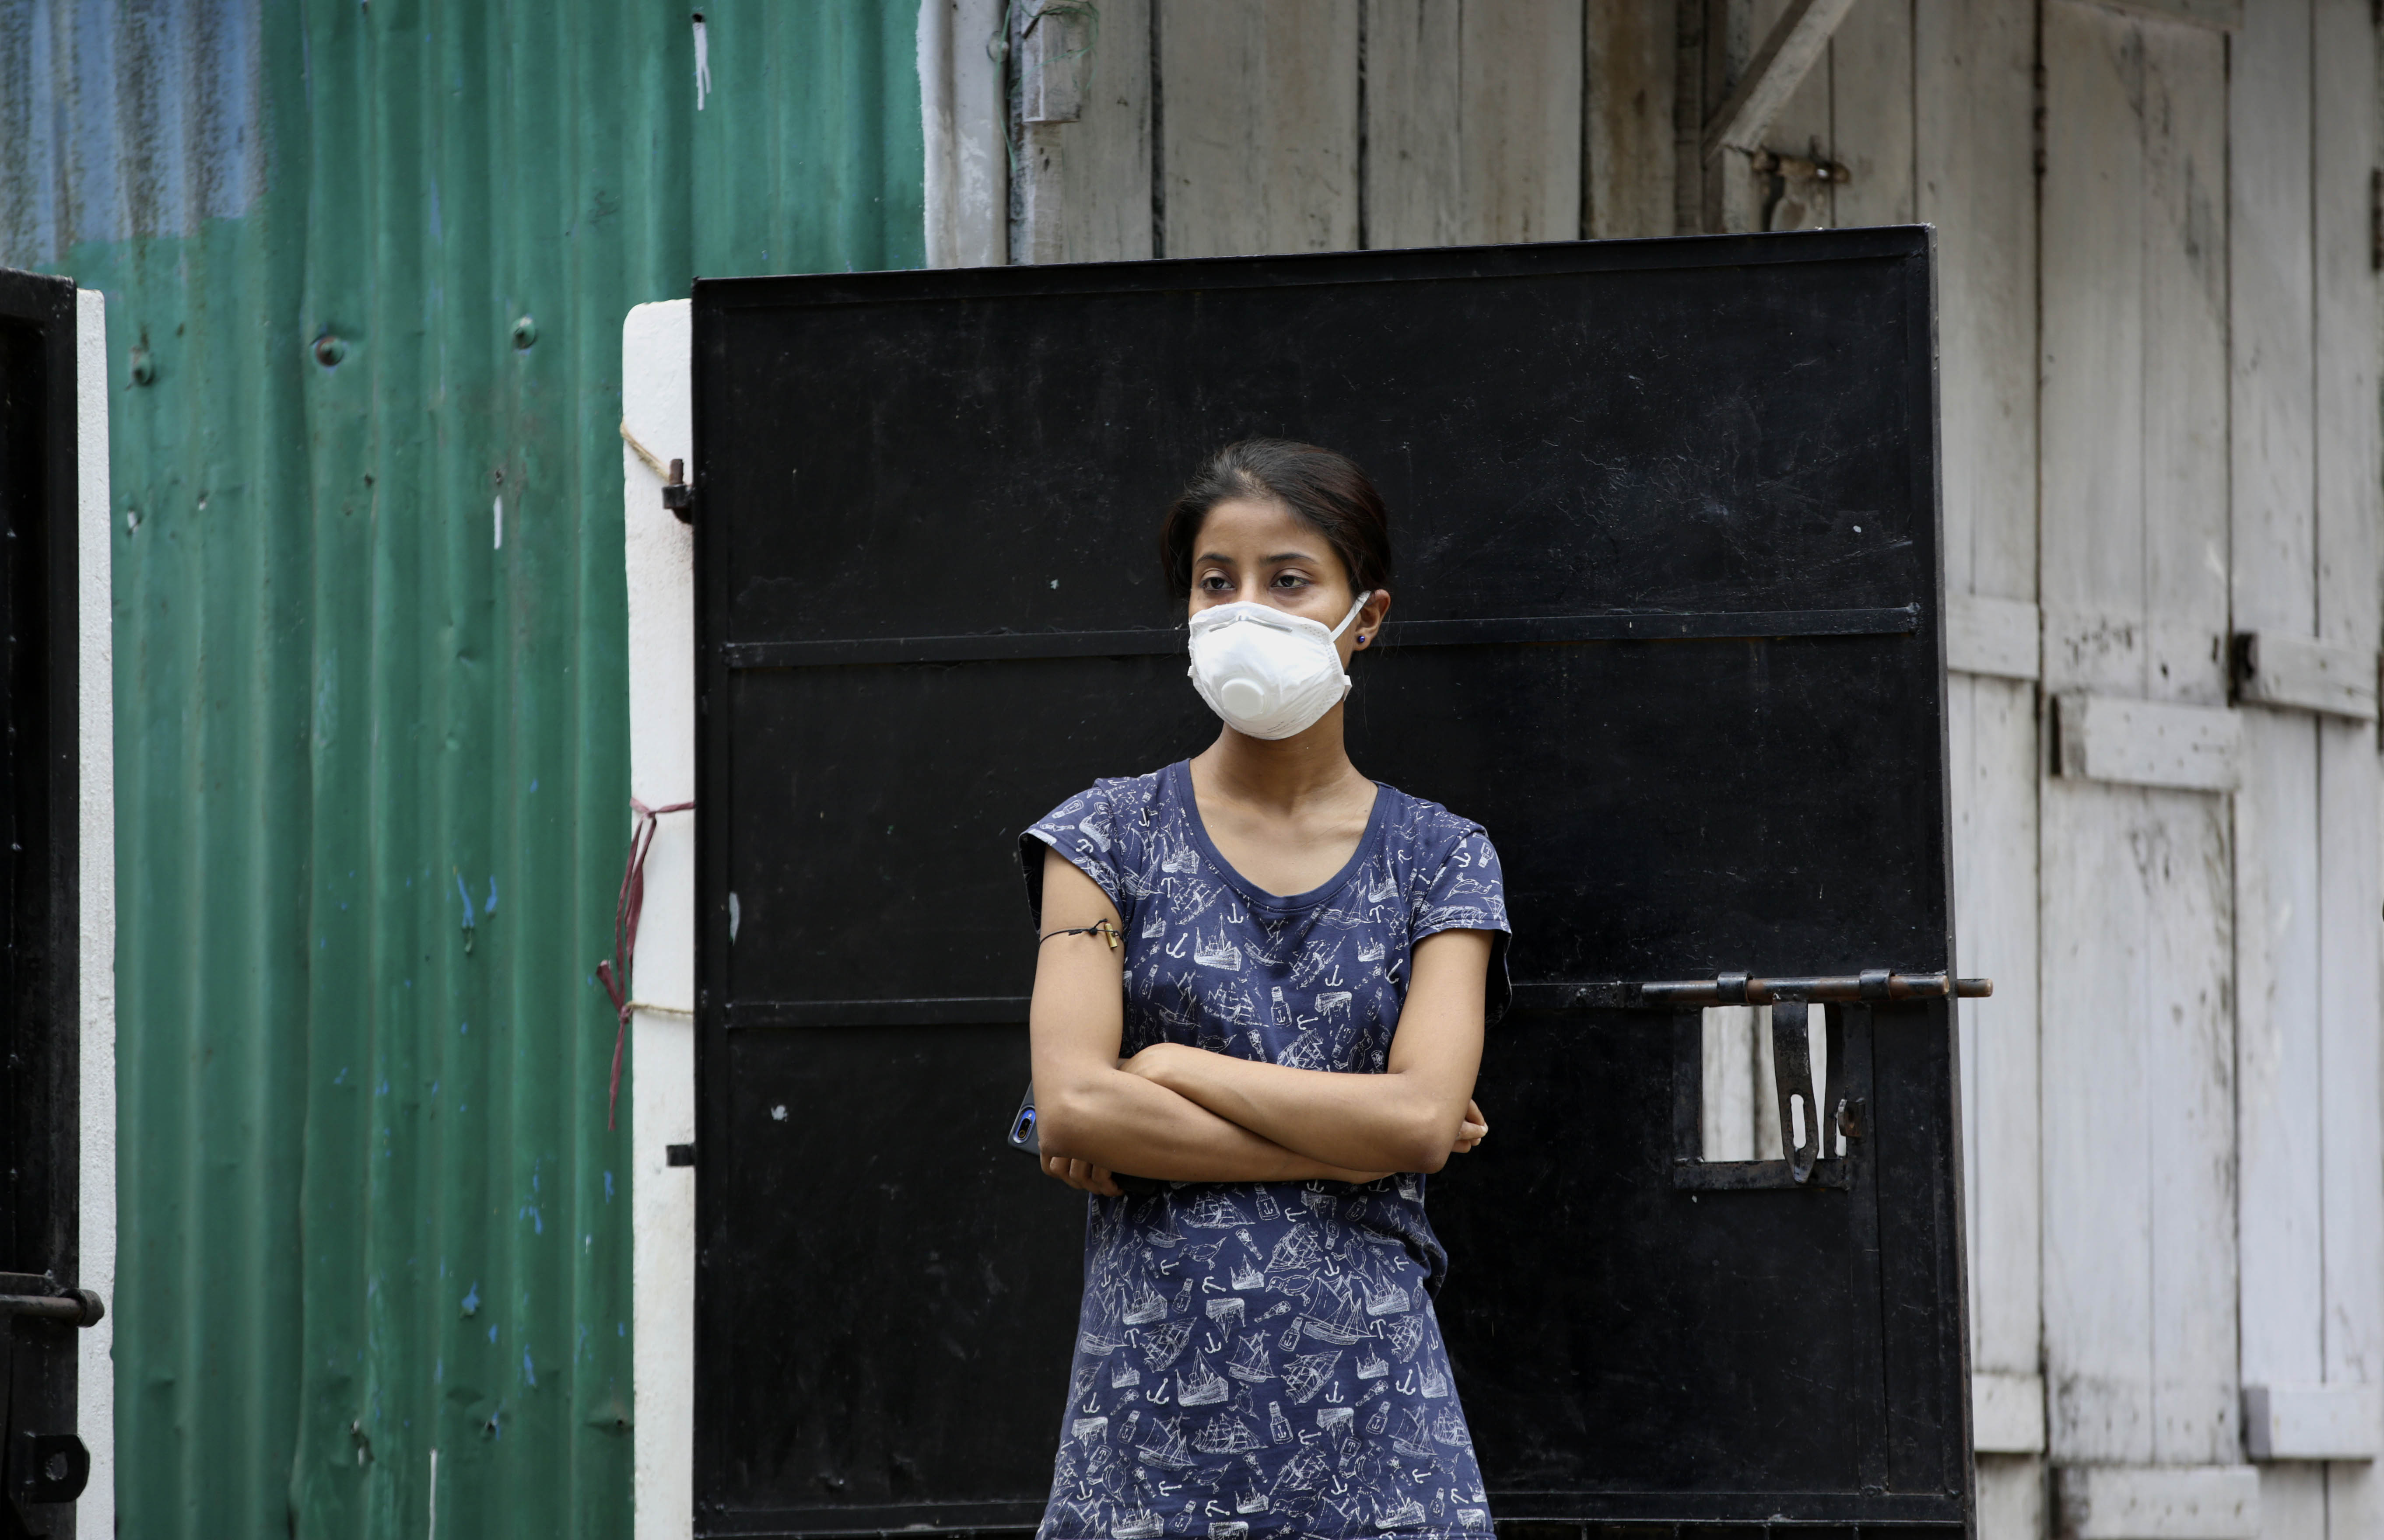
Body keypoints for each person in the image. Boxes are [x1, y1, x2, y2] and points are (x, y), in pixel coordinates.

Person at [1021, 439, 1511, 1540]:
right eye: (1215, 581)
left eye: (1288, 579)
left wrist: (1171, 1070)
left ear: (1366, 616)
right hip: (1145, 1437)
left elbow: (1425, 1118)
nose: (1246, 608)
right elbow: (1077, 1106)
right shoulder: (1103, 837)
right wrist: (1364, 1134)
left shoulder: (1441, 858)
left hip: (1382, 1449)